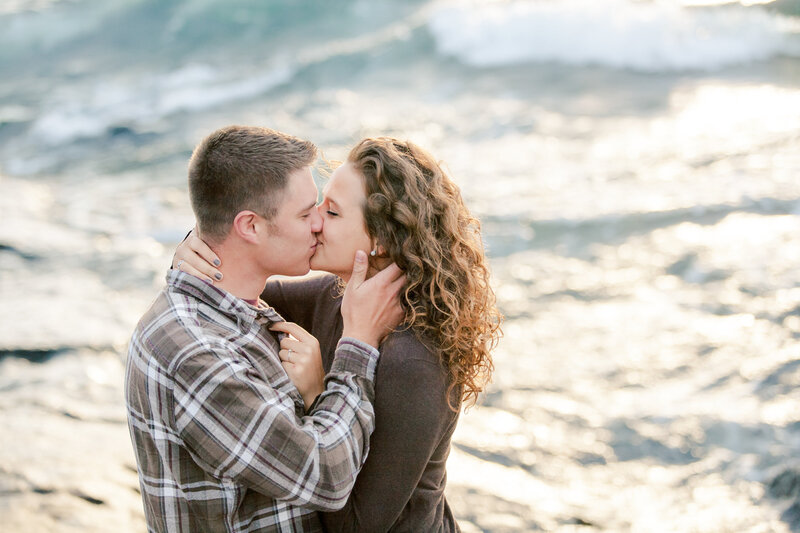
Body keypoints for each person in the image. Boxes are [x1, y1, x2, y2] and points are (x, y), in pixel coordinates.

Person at [175, 136, 503, 532]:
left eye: (331, 212)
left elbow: (355, 526)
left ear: (380, 239)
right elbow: (239, 277)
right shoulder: (337, 298)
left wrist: (317, 396)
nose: (313, 221)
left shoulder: (413, 360)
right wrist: (197, 244)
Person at [126, 125, 406, 533]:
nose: (317, 225)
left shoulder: (237, 306)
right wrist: (358, 344)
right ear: (251, 227)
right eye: (306, 212)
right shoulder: (198, 355)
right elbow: (327, 476)